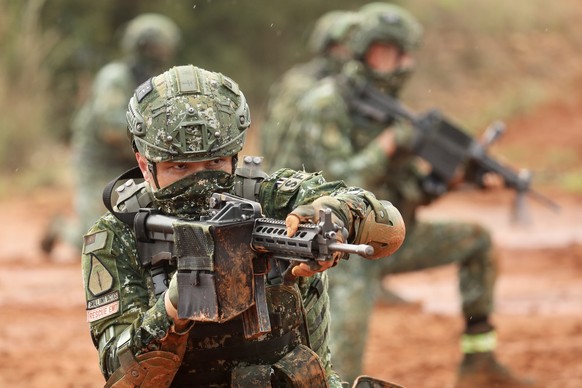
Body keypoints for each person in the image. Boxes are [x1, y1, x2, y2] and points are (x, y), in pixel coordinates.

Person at [81, 64, 406, 387]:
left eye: (215, 163)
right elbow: (122, 377)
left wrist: (335, 215)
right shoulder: (117, 236)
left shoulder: (271, 198)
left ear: (236, 157)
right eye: (179, 166)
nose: (201, 182)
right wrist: (175, 307)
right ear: (144, 164)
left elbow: (388, 228)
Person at [268, 3, 533, 387]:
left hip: (382, 240)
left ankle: (479, 360)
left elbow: (403, 197)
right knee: (342, 355)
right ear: (361, 50)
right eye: (387, 51)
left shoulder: (388, 111)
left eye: (403, 53)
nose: (399, 63)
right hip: (330, 245)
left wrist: (449, 182)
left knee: (478, 241)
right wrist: (390, 144)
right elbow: (338, 185)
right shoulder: (326, 104)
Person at [41, 13, 182, 255]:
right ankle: (61, 227)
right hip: (100, 160)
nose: (160, 52)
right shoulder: (115, 77)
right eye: (155, 47)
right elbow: (110, 130)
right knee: (95, 238)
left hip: (135, 159)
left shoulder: (158, 81)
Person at [260, 9, 360, 170]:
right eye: (344, 46)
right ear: (327, 46)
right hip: (295, 181)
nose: (351, 53)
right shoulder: (306, 86)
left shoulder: (296, 77)